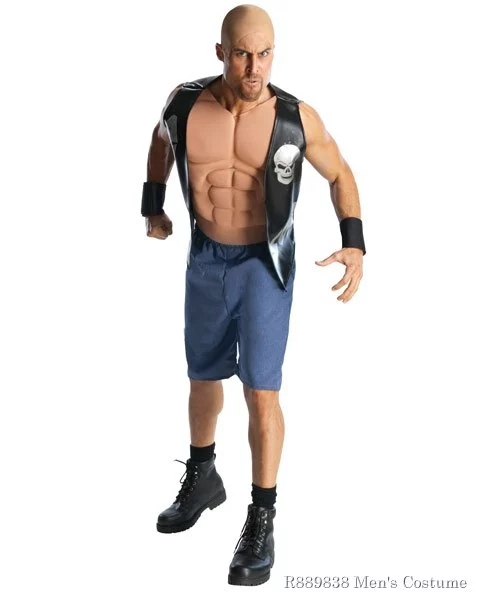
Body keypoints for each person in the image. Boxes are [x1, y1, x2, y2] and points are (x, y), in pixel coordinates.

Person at [141, 3, 366, 587]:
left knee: (261, 391)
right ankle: (203, 476)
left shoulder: (294, 117)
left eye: (264, 54)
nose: (254, 67)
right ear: (221, 52)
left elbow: (340, 173)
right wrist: (152, 205)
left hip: (265, 265)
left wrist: (354, 243)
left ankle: (262, 516)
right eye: (242, 54)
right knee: (202, 376)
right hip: (205, 259)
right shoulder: (185, 104)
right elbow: (160, 142)